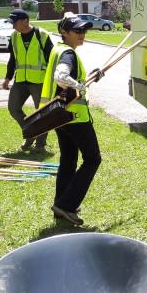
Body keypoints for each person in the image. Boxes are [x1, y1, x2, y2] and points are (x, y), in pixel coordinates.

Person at [40, 13, 102, 225]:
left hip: (58, 116)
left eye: (84, 30)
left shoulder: (58, 49)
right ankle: (67, 205)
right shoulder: (68, 53)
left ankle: (61, 204)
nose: (82, 34)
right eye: (77, 30)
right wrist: (79, 86)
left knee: (68, 158)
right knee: (93, 159)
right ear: (64, 32)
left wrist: (88, 78)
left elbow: (68, 78)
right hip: (74, 117)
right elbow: (61, 77)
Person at [1, 9, 53, 152]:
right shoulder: (14, 37)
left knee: (42, 113)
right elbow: (12, 59)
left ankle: (40, 145)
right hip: (21, 80)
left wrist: (53, 81)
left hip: (39, 81)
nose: (13, 27)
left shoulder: (42, 35)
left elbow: (52, 60)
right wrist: (7, 78)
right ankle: (31, 132)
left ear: (25, 21)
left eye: (14, 23)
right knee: (13, 108)